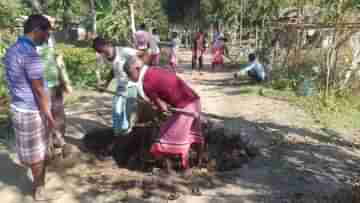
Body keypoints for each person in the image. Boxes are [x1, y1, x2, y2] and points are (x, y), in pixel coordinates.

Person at [3, 14, 56, 201]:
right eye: (46, 33)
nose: (46, 37)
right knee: (36, 154)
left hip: (18, 107)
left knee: (32, 152)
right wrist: (49, 113)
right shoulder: (29, 54)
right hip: (32, 110)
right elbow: (39, 89)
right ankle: (39, 186)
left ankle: (38, 176)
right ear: (36, 31)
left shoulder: (12, 50)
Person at [124, 56, 204, 172]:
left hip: (185, 109)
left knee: (162, 141)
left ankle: (175, 170)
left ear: (136, 68)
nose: (129, 77)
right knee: (192, 136)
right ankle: (198, 163)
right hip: (195, 102)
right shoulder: (154, 70)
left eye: (129, 73)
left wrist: (158, 108)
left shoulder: (146, 83)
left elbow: (163, 109)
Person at [93, 37, 141, 157]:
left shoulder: (124, 51)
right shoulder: (105, 58)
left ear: (108, 44)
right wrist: (105, 84)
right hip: (120, 87)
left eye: (103, 50)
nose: (102, 54)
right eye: (100, 52)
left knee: (130, 113)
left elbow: (143, 54)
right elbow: (113, 70)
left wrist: (138, 73)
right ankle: (119, 138)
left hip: (132, 86)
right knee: (117, 110)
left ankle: (128, 140)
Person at [36, 16, 72, 158]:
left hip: (55, 84)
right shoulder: (33, 43)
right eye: (49, 26)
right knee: (45, 116)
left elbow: (58, 61)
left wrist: (65, 81)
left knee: (59, 113)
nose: (51, 29)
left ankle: (60, 141)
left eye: (52, 26)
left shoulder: (50, 39)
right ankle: (49, 145)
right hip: (42, 86)